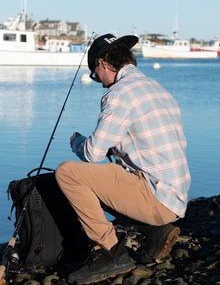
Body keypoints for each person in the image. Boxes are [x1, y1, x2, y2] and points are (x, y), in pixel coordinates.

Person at [55, 33, 191, 284]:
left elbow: (92, 154)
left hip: (156, 199)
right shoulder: (156, 88)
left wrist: (76, 142)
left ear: (103, 63)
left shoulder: (119, 93)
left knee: (68, 174)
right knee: (108, 174)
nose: (99, 81)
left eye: (96, 74)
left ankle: (110, 253)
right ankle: (155, 231)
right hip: (175, 198)